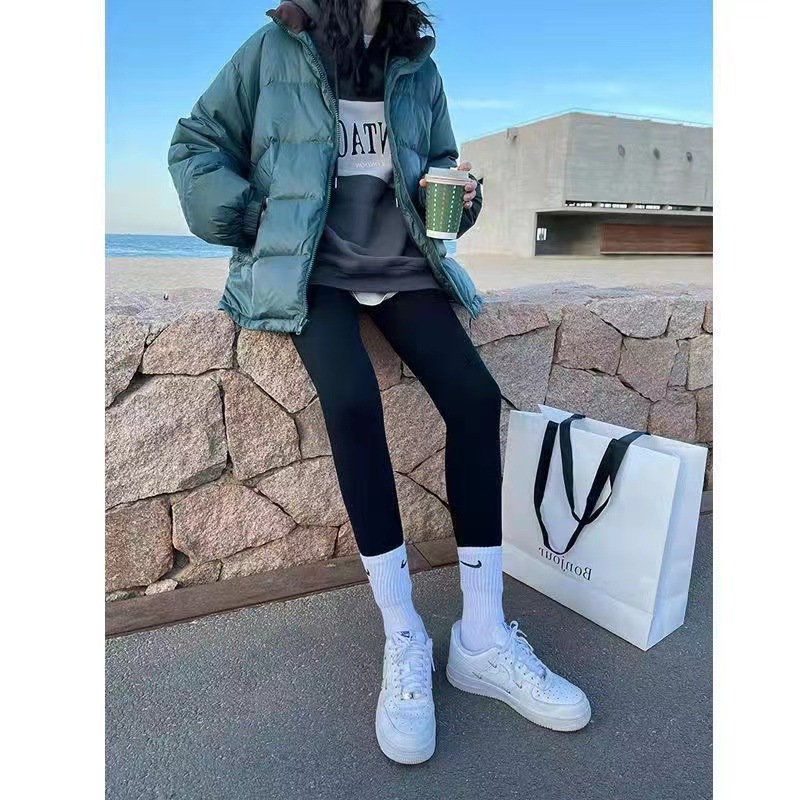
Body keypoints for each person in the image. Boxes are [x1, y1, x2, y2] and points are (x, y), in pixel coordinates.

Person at [168, 0, 590, 765]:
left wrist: (459, 197)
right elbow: (196, 143)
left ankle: (482, 638)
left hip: (403, 267)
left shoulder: (417, 64)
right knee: (353, 402)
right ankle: (404, 634)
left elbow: (441, 167)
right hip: (313, 273)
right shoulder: (276, 47)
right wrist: (257, 216)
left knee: (474, 400)